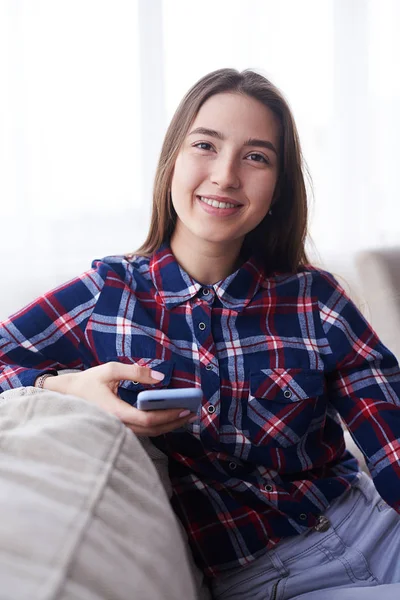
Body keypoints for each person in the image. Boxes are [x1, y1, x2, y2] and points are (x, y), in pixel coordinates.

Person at [1, 68, 400, 600]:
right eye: (206, 146)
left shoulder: (316, 298)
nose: (226, 175)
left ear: (278, 188)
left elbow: (390, 438)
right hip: (271, 580)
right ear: (173, 162)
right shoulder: (109, 296)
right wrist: (67, 386)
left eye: (256, 156)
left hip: (376, 526)